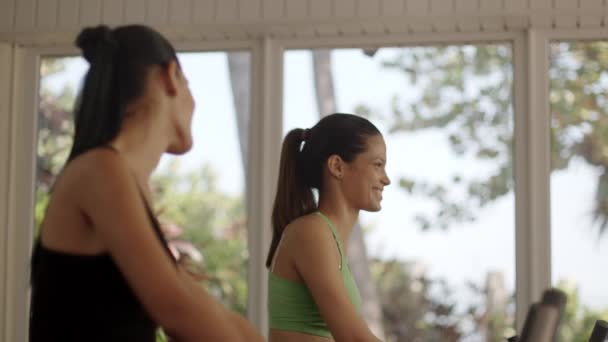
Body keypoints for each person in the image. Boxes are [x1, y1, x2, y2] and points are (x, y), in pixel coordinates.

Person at [29, 24, 263, 342]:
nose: (194, 103)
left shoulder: (123, 179)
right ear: (171, 77)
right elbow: (176, 311)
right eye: (189, 85)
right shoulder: (101, 169)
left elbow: (199, 303)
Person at [267, 113, 390, 342]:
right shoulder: (311, 232)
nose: (386, 179)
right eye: (378, 165)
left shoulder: (326, 236)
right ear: (337, 166)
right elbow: (353, 338)